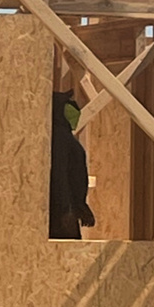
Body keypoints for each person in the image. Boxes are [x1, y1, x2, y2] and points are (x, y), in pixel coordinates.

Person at [49, 94, 96, 240]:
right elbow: (59, 174)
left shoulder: (63, 136)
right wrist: (66, 210)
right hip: (60, 216)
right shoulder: (59, 138)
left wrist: (80, 206)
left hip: (67, 210)